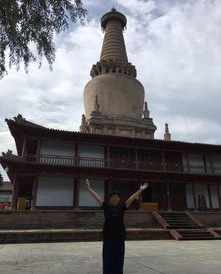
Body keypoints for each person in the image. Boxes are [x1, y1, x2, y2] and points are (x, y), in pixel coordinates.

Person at [85, 179, 149, 274]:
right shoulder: (106, 206)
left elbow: (131, 199)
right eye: (113, 197)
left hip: (119, 237)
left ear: (119, 199)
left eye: (117, 197)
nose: (115, 198)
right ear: (110, 198)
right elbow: (97, 197)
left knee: (119, 257)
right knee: (107, 257)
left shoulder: (122, 207)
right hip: (108, 237)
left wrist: (140, 190)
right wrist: (89, 188)